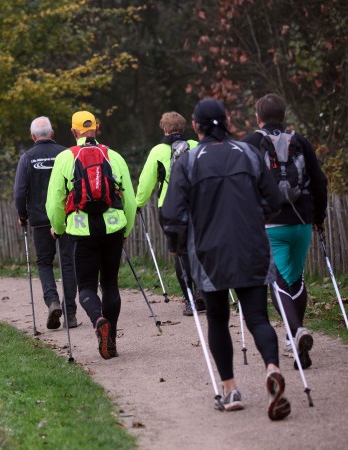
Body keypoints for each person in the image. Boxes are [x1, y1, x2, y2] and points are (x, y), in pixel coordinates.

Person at [161, 98, 290, 420]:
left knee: (218, 320)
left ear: (195, 126)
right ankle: (272, 367)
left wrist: (178, 240)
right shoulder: (248, 152)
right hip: (252, 248)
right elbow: (274, 200)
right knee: (258, 317)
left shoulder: (189, 161)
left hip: (209, 253)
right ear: (227, 120)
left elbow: (172, 214)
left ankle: (230, 390)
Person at [241, 93, 328, 370]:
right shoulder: (299, 141)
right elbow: (319, 181)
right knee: (295, 278)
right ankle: (298, 344)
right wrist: (319, 217)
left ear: (258, 117)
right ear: (284, 115)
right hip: (301, 220)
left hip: (269, 223)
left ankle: (295, 332)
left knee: (275, 280)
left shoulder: (251, 143)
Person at [46, 111, 136, 360]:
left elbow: (54, 202)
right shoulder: (114, 156)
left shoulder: (65, 158)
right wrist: (125, 229)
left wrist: (59, 228)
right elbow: (128, 199)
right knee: (110, 284)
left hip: (81, 231)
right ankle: (112, 340)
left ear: (73, 132)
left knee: (85, 286)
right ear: (97, 128)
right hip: (113, 229)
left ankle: (98, 320)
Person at [135, 111, 204, 316]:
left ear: (164, 128)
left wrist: (138, 202)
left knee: (179, 253)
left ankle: (189, 300)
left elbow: (146, 182)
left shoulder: (158, 151)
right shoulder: (196, 146)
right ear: (184, 128)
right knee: (199, 248)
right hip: (198, 205)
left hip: (170, 207)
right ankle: (202, 291)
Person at [14, 116, 78, 329]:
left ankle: (51, 301)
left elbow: (20, 191)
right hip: (67, 217)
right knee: (68, 263)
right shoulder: (67, 154)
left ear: (33, 136)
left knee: (44, 263)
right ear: (52, 134)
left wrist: (23, 215)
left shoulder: (27, 158)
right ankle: (70, 313)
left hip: (40, 220)